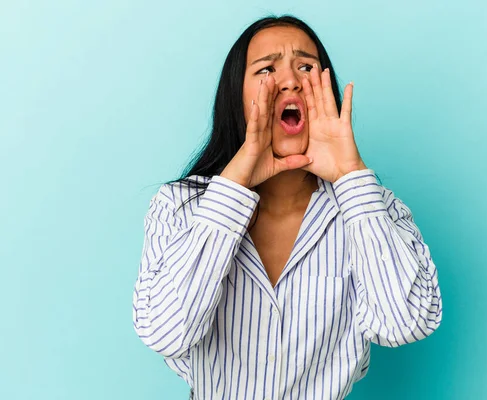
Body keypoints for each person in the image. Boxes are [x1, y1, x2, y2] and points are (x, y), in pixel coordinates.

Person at [132, 15, 442, 400]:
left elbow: (403, 324)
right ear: (236, 98)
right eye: (266, 69)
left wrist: (351, 175)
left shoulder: (373, 208)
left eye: (306, 66)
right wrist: (233, 186)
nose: (291, 80)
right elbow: (166, 332)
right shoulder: (180, 206)